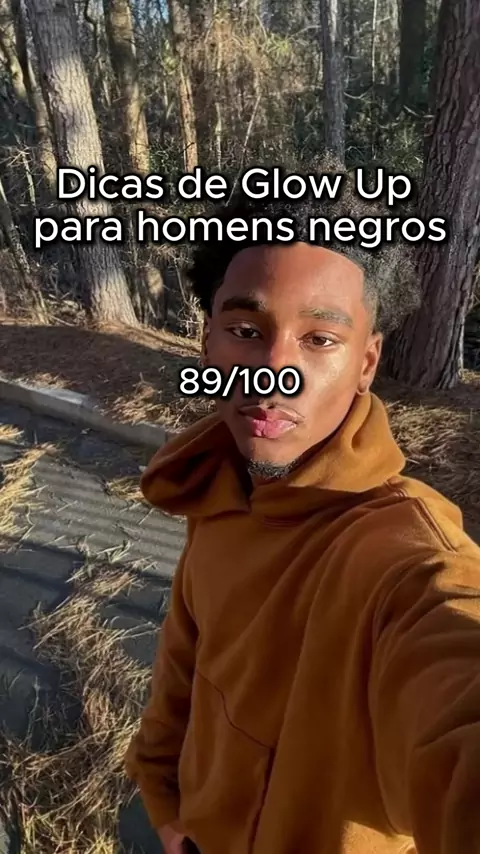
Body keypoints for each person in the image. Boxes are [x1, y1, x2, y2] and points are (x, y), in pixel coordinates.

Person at [125, 189, 480, 854]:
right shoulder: (220, 489)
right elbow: (182, 666)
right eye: (245, 331)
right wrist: (163, 802)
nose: (273, 372)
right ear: (207, 342)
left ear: (366, 362)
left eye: (319, 339)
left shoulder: (404, 557)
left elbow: (453, 669)